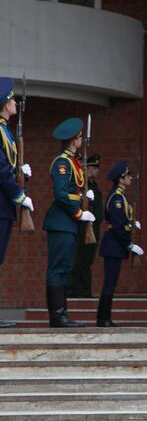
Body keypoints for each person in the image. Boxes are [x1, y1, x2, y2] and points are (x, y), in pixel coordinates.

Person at [43, 117, 96, 328]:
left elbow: (72, 191)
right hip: (62, 221)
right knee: (58, 268)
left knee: (66, 266)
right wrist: (78, 213)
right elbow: (61, 194)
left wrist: (86, 198)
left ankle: (62, 314)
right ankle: (57, 316)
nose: (82, 140)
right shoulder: (62, 162)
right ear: (74, 139)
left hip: (68, 224)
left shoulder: (73, 161)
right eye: (80, 137)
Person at [0, 78, 33, 328]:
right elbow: (1, 170)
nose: (14, 103)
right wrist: (18, 194)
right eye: (11, 100)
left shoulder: (6, 131)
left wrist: (22, 173)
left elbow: (8, 167)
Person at [96, 161, 143, 327]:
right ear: (121, 179)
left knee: (111, 283)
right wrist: (129, 244)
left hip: (115, 244)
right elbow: (117, 225)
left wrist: (131, 224)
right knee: (109, 283)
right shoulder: (117, 197)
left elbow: (123, 220)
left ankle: (104, 318)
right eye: (127, 176)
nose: (130, 178)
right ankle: (103, 319)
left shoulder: (120, 196)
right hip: (114, 244)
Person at [69, 154, 103, 298]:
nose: (97, 170)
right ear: (86, 168)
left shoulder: (93, 185)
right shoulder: (81, 184)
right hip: (83, 226)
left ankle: (85, 290)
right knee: (80, 259)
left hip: (93, 226)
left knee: (87, 259)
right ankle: (77, 291)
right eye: (94, 167)